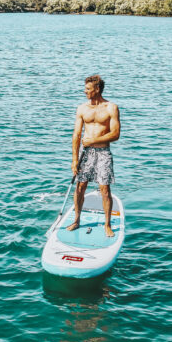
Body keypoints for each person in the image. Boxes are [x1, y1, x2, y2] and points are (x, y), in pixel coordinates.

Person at [68, 75, 120, 237]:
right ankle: (76, 220)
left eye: (88, 89)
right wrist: (74, 159)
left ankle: (107, 224)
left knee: (105, 189)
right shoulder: (82, 108)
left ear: (97, 89)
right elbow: (76, 135)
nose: (85, 92)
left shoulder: (111, 107)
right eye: (85, 89)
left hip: (103, 153)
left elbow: (115, 134)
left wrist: (94, 140)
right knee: (80, 187)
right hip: (86, 154)